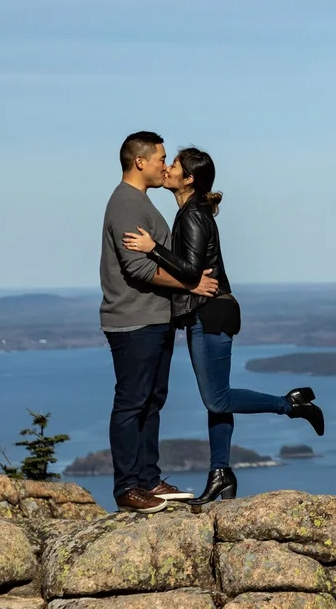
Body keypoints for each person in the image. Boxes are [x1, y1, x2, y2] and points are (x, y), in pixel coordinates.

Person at [123, 146, 324, 505]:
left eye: (174, 166)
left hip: (210, 313)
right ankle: (221, 473)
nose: (167, 169)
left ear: (189, 179)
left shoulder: (194, 216)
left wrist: (152, 247)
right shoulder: (190, 212)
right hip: (204, 313)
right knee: (218, 401)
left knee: (216, 397)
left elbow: (189, 270)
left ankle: (290, 404)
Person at [100, 130, 203, 513]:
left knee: (151, 401)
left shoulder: (139, 201)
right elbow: (139, 267)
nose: (165, 164)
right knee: (131, 403)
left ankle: (147, 479)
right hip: (133, 320)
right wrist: (194, 283)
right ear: (140, 161)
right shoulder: (127, 203)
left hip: (153, 318)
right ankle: (128, 486)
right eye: (160, 158)